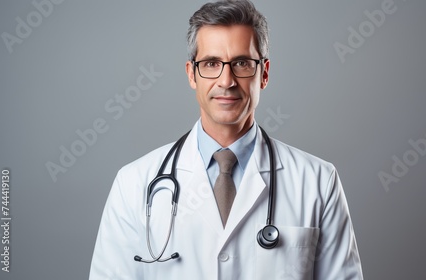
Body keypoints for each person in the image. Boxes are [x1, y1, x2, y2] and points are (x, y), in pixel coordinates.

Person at [89, 0, 363, 279]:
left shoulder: (318, 181)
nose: (226, 80)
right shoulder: (134, 183)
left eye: (242, 63)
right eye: (211, 63)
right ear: (191, 74)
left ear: (264, 73)